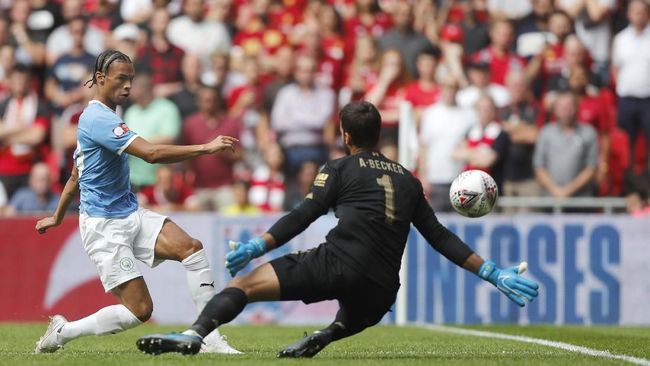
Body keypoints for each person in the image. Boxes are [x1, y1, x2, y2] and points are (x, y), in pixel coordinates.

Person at [136, 101, 539, 357]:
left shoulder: (339, 168)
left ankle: (196, 333)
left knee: (243, 287)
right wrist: (490, 270)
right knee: (361, 312)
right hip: (381, 288)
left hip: (336, 263)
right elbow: (439, 237)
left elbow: (304, 214)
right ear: (378, 135)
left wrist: (258, 246)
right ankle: (327, 335)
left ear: (346, 136)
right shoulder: (408, 179)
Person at [33, 49, 240, 354]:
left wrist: (57, 216)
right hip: (104, 226)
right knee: (140, 311)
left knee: (191, 249)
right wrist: (206, 148)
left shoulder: (107, 116)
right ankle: (64, 331)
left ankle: (208, 336)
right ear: (101, 78)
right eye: (121, 79)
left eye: (130, 78)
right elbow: (152, 154)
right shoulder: (97, 118)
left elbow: (76, 175)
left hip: (128, 212)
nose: (128, 85)